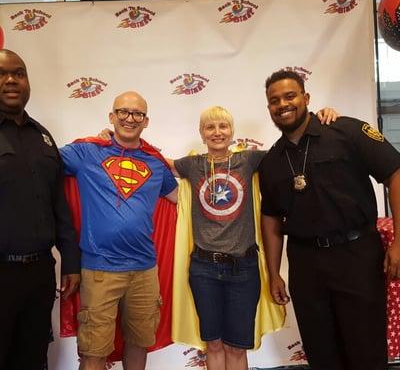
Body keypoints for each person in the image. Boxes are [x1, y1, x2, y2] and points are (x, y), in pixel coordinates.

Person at [168, 105, 338, 370]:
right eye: (210, 127)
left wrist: (322, 118)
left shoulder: (247, 160)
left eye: (223, 126)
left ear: (232, 132)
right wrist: (115, 138)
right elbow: (152, 162)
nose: (217, 132)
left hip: (243, 269)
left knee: (237, 347)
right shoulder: (192, 165)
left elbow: (291, 147)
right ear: (201, 134)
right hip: (204, 269)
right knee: (213, 345)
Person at [259, 69, 400, 370]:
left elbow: (395, 174)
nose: (283, 104)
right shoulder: (271, 161)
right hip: (306, 264)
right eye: (274, 100)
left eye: (290, 95)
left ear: (306, 98)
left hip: (357, 255)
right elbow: (270, 221)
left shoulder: (345, 131)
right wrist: (273, 273)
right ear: (269, 107)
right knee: (322, 353)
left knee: (366, 352)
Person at [60, 91, 178, 370]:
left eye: (137, 114)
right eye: (123, 112)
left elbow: (184, 198)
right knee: (93, 350)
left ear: (146, 121)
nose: (129, 118)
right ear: (112, 117)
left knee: (138, 343)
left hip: (144, 271)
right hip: (100, 270)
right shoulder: (87, 152)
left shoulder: (155, 163)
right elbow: (42, 160)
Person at [0, 49, 81, 370]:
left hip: (39, 274)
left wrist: (71, 262)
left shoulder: (43, 136)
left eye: (18, 73)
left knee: (33, 358)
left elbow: (58, 204)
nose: (10, 80)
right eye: (3, 73)